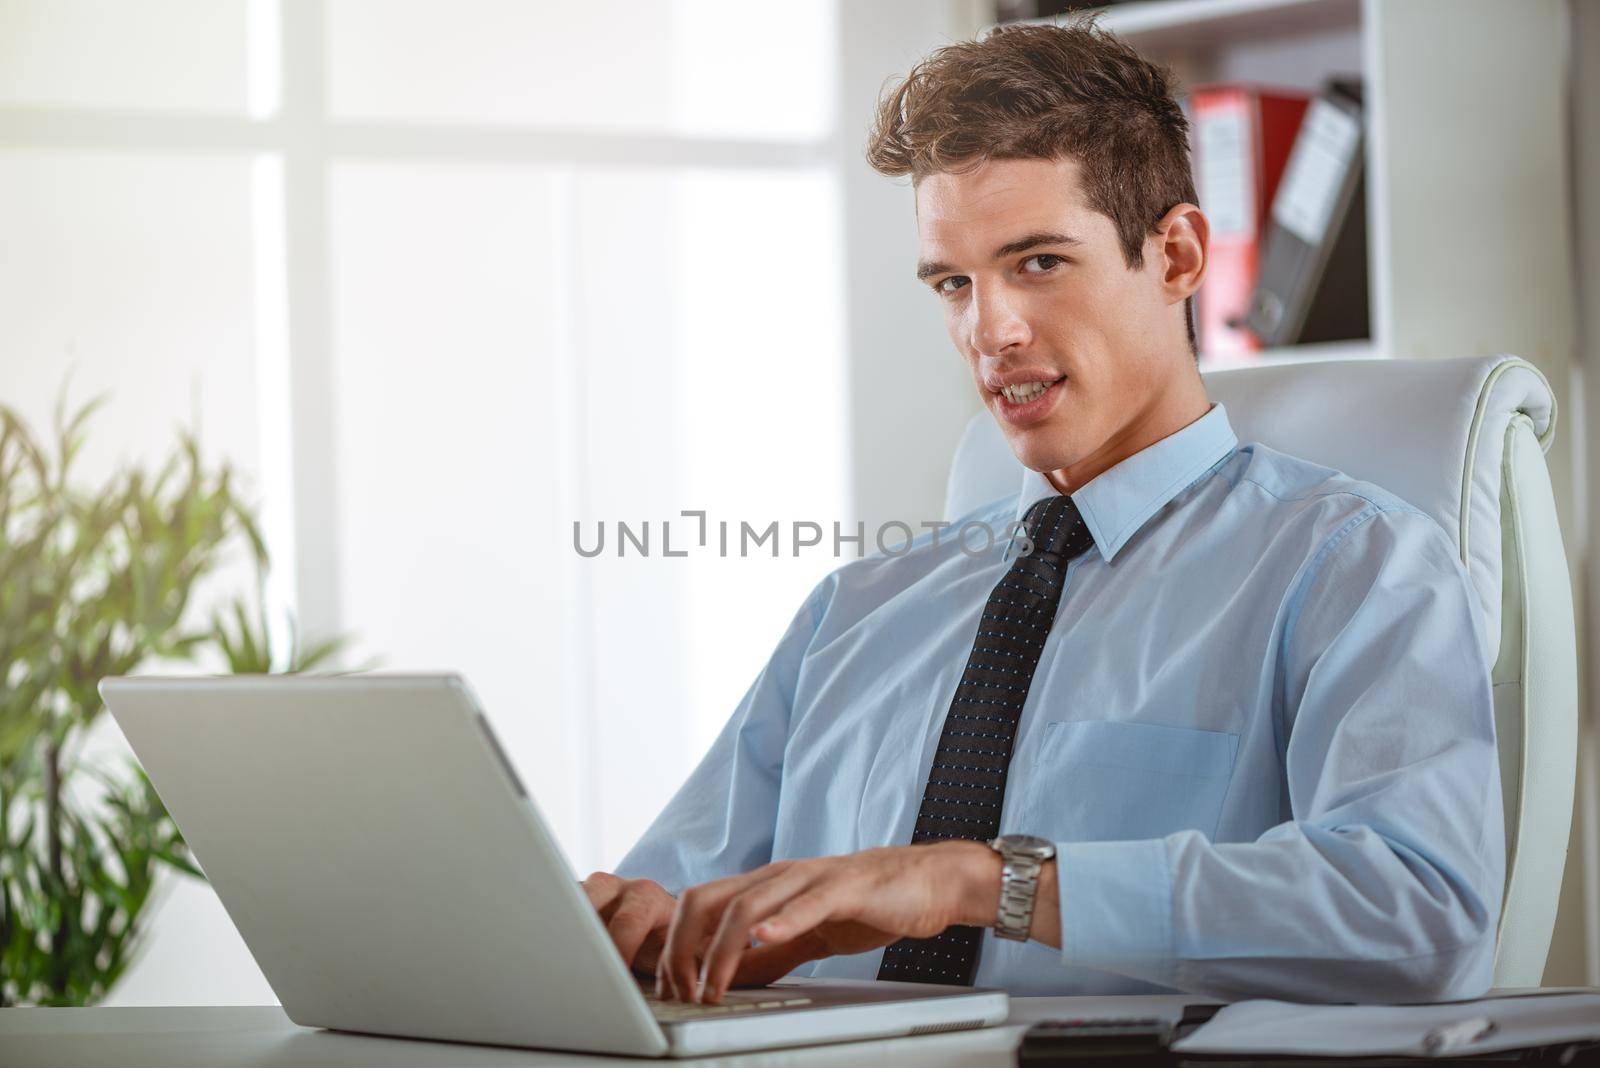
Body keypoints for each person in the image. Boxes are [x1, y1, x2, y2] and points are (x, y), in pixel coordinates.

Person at [582, 20, 1502, 1006]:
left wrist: (980, 881)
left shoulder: (1350, 565)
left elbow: (1421, 915)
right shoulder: (850, 612)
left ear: (1178, 255)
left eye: (1037, 263)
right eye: (954, 283)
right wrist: (613, 933)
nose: (991, 332)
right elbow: (673, 904)